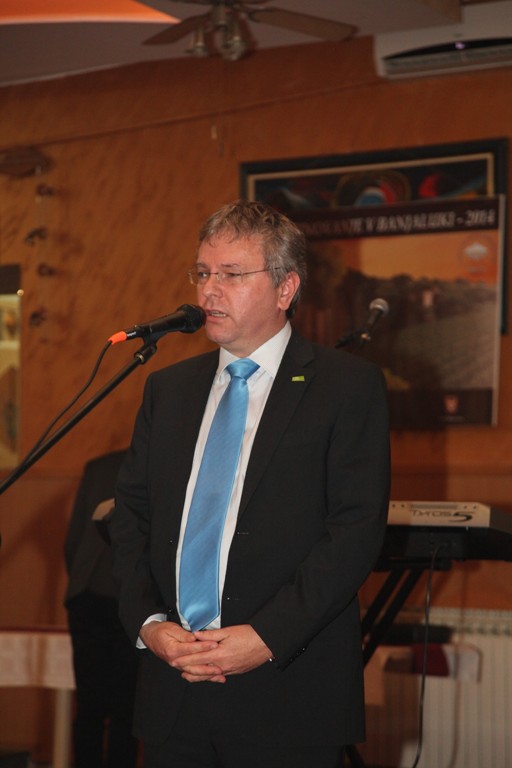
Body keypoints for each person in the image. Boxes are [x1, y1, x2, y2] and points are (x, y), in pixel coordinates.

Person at [109, 200, 390, 768]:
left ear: (286, 288)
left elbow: (354, 533)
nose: (209, 291)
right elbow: (130, 518)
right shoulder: (168, 390)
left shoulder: (346, 387)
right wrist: (149, 624)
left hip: (286, 690)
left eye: (232, 274)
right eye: (203, 272)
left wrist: (264, 637)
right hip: (173, 689)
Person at [64, 450, 139, 768]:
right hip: (131, 599)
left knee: (90, 705)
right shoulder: (163, 461)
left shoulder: (97, 466)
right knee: (126, 708)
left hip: (87, 594)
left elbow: (73, 541)